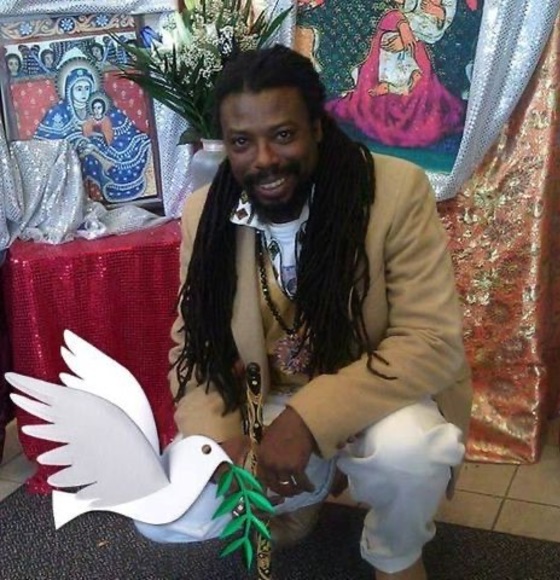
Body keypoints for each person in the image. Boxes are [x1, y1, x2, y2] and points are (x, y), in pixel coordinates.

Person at [135, 45, 472, 580]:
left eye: (283, 134)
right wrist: (221, 442)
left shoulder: (394, 191)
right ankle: (305, 491)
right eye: (242, 142)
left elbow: (430, 342)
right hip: (263, 397)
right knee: (166, 513)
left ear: (317, 127)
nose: (263, 159)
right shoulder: (206, 211)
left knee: (414, 454)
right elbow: (194, 345)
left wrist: (309, 423)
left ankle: (396, 552)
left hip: (372, 392)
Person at [326, 0, 464, 148]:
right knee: (387, 49)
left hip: (423, 32)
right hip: (394, 25)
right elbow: (391, 8)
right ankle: (390, 86)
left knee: (416, 72)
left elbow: (443, 22)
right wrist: (401, 24)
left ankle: (399, 86)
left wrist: (438, 15)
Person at [34, 54, 152, 203]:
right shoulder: (59, 112)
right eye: (79, 89)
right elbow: (46, 144)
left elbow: (124, 129)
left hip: (104, 148)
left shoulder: (99, 104)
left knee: (134, 147)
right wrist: (77, 140)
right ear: (69, 89)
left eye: (87, 88)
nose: (84, 93)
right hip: (75, 154)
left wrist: (99, 138)